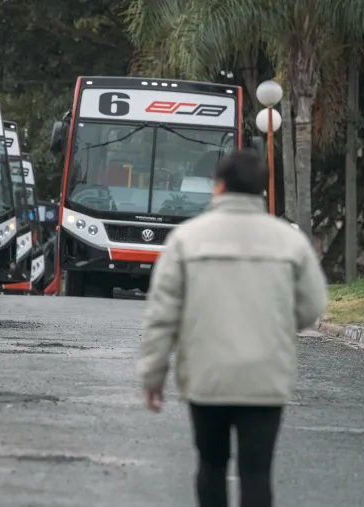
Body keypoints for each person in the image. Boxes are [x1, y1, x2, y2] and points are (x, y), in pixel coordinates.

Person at [137, 149, 327, 507]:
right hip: (265, 379)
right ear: (262, 191)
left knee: (211, 466)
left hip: (207, 380)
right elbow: (312, 307)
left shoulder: (186, 239)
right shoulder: (290, 241)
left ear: (219, 187)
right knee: (257, 473)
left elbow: (162, 316)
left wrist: (152, 377)